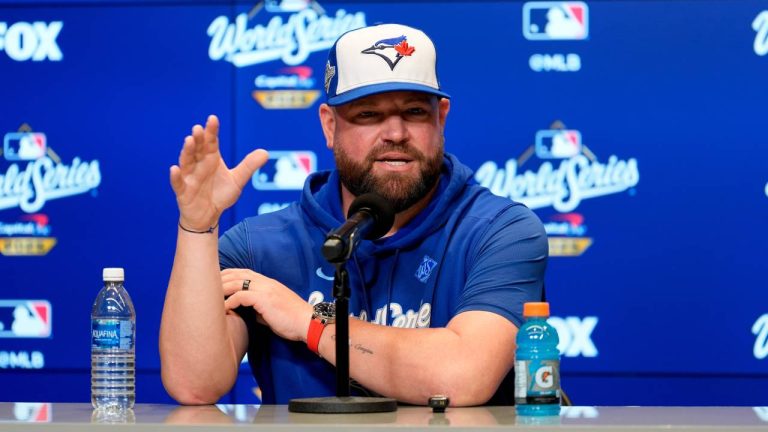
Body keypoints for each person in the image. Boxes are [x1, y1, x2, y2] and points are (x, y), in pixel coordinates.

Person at [160, 23, 548, 407]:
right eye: (368, 114)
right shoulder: (258, 246)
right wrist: (197, 226)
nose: (395, 133)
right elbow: (196, 384)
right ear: (329, 125)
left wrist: (309, 322)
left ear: (441, 118)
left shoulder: (500, 231)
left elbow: (462, 376)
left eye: (414, 112)